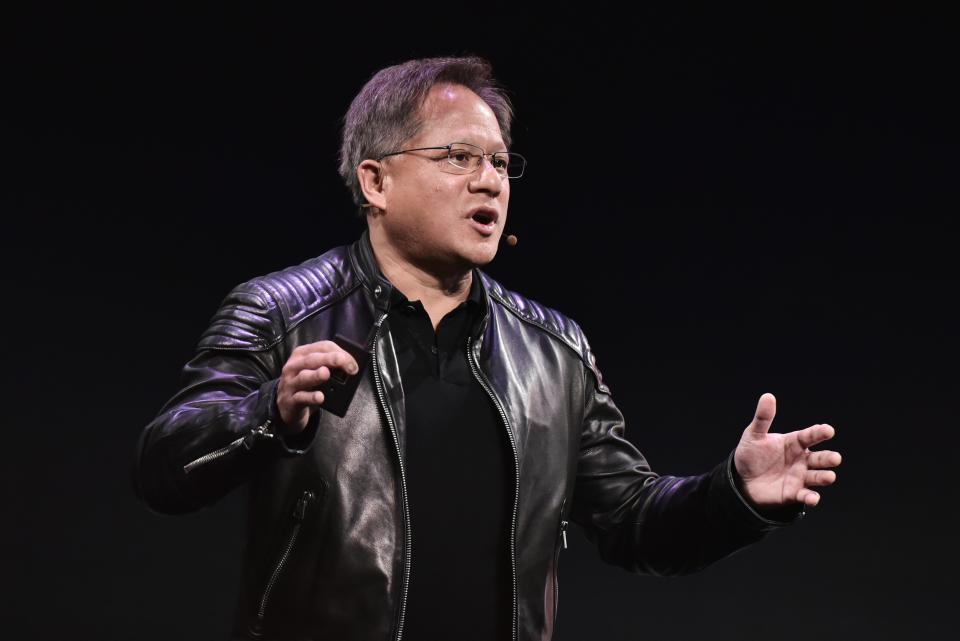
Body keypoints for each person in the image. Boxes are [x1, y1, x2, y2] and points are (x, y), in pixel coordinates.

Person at [133, 55, 842, 641]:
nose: (489, 181)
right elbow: (164, 466)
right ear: (376, 181)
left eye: (501, 162)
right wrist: (269, 414)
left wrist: (736, 493)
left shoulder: (554, 352)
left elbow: (633, 521)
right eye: (458, 156)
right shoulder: (281, 312)